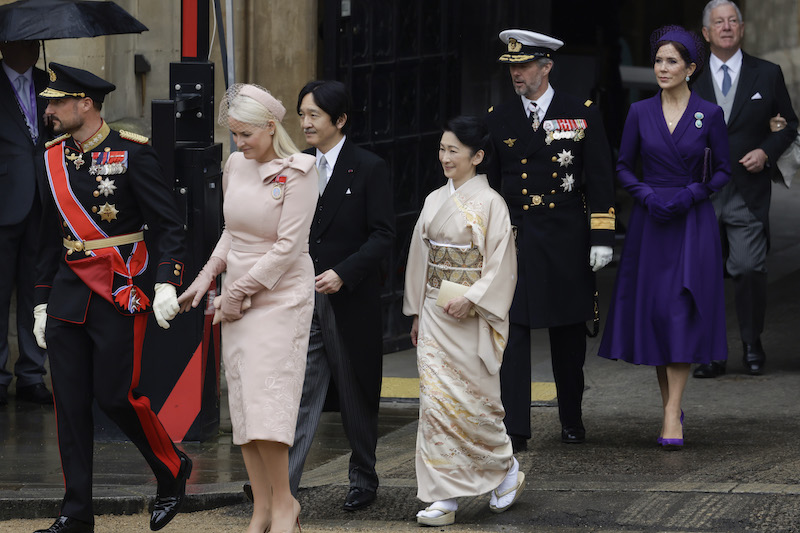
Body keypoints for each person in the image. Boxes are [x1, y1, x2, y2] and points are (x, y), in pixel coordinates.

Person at [32, 63, 191, 533]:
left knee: (117, 396)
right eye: (48, 102)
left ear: (86, 103)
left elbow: (168, 225)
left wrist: (166, 281)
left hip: (120, 288)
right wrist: (41, 302)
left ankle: (171, 467)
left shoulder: (132, 153)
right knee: (70, 405)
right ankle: (76, 513)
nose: (50, 110)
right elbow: (46, 238)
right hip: (67, 293)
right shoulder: (52, 158)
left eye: (59, 102)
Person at [178, 83, 318, 533]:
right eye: (234, 134)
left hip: (280, 296)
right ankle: (261, 508)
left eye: (246, 134)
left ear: (271, 127)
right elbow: (231, 232)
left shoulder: (301, 171)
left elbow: (287, 248)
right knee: (244, 407)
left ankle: (285, 506)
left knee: (268, 406)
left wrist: (235, 293)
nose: (238, 143)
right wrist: (204, 279)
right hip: (236, 297)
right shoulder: (236, 163)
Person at [598, 26, 731, 449]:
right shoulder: (639, 112)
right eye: (658, 61)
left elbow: (724, 170)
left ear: (690, 68)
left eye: (671, 61)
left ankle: (673, 411)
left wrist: (694, 192)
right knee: (658, 313)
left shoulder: (709, 115)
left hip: (692, 223)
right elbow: (622, 165)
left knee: (681, 310)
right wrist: (645, 195)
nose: (662, 68)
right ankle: (670, 406)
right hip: (651, 221)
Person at [485, 30, 616, 449]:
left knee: (568, 334)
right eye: (511, 67)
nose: (516, 74)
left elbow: (599, 178)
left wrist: (602, 236)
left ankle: (572, 417)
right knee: (516, 333)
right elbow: (488, 184)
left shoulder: (581, 113)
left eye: (523, 67)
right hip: (518, 239)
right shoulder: (499, 117)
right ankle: (516, 427)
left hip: (566, 239)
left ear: (546, 67)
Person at [403, 116, 523, 526]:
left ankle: (505, 468)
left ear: (478, 156)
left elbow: (502, 263)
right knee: (435, 404)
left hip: (471, 315)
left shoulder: (492, 204)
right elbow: (421, 258)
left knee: (474, 403)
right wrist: (419, 311)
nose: (445, 157)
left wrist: (473, 298)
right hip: (437, 310)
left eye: (454, 150)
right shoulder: (435, 198)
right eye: (442, 149)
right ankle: (444, 497)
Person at [287, 80, 395, 511]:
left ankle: (364, 478)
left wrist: (344, 273)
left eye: (314, 115)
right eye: (302, 114)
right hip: (300, 297)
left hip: (347, 299)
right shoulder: (296, 166)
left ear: (340, 120)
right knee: (301, 392)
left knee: (356, 392)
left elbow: (384, 233)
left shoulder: (368, 167)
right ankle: (283, 484)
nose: (305, 123)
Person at [693, 0, 798, 377]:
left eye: (732, 21)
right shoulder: (690, 74)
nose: (725, 27)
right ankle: (711, 351)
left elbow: (789, 125)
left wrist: (765, 152)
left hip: (746, 191)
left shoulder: (767, 73)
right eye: (717, 22)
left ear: (742, 29)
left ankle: (752, 341)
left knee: (749, 267)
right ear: (706, 33)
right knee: (703, 274)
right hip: (701, 193)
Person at [0, 40, 52, 406]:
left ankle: (32, 375)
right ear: (5, 45)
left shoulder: (49, 82)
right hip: (4, 201)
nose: (33, 47)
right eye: (24, 41)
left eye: (36, 40)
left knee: (37, 293)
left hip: (43, 203)